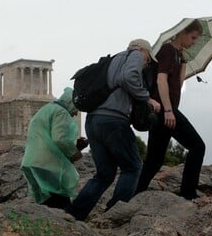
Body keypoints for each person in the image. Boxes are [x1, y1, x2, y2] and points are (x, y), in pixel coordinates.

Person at [66, 40, 161, 220]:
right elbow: (128, 77)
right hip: (113, 120)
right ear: (142, 50)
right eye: (148, 58)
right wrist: (147, 98)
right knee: (133, 167)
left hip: (93, 120)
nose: (147, 63)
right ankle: (115, 214)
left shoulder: (113, 60)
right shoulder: (135, 55)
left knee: (105, 173)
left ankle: (74, 214)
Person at [135, 20, 206, 199]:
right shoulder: (167, 50)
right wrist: (168, 110)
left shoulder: (178, 55)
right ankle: (188, 192)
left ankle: (134, 193)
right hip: (164, 110)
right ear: (182, 32)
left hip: (165, 110)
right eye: (193, 37)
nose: (194, 42)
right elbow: (161, 80)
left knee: (154, 160)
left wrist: (183, 63)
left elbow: (178, 85)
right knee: (197, 146)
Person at [21, 87, 85, 209]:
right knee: (60, 202)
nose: (76, 113)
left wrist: (77, 146)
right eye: (76, 108)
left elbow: (47, 138)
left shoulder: (46, 109)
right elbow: (60, 139)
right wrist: (75, 153)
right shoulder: (61, 112)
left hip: (33, 160)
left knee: (47, 202)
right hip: (48, 164)